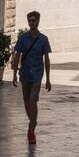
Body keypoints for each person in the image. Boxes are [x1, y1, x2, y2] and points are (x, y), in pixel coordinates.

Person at [12, 10, 52, 145]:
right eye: (30, 20)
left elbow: (46, 59)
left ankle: (31, 130)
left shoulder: (43, 39)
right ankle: (33, 121)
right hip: (24, 73)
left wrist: (48, 78)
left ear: (38, 21)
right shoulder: (23, 38)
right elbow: (17, 56)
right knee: (26, 101)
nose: (31, 23)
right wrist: (14, 75)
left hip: (37, 74)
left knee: (33, 101)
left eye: (34, 20)